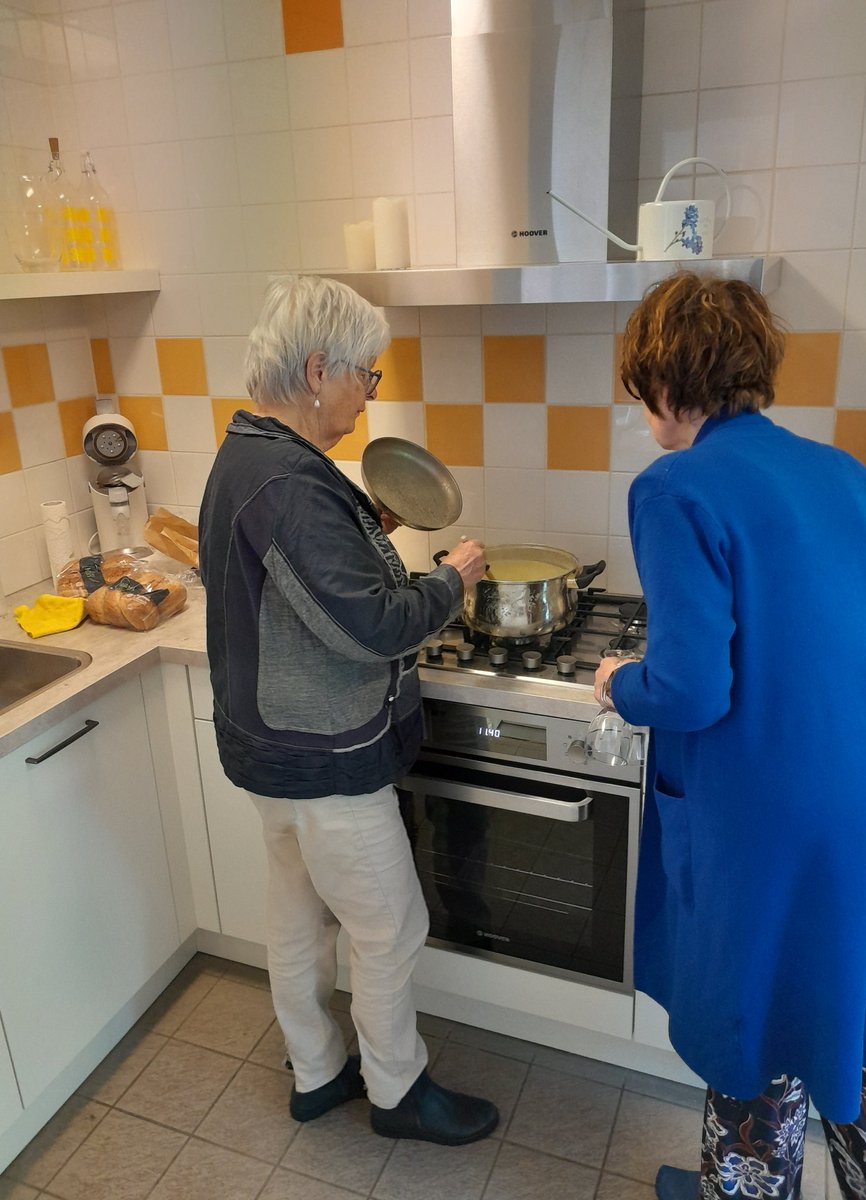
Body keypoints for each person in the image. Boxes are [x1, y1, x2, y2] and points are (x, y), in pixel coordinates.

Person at [594, 272, 866, 1200]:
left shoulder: (675, 486)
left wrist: (619, 684)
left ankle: (746, 1186)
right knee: (848, 1010)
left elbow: (688, 688)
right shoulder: (851, 477)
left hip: (766, 813)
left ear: (658, 382)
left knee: (756, 1024)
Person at [198, 273, 499, 1146]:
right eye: (367, 375)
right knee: (391, 928)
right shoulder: (287, 481)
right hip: (324, 757)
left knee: (298, 915)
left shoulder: (253, 456)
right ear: (320, 367)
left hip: (270, 751)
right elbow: (367, 628)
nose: (371, 397)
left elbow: (296, 575)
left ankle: (318, 1071)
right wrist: (451, 580)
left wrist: (364, 523)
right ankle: (399, 1094)